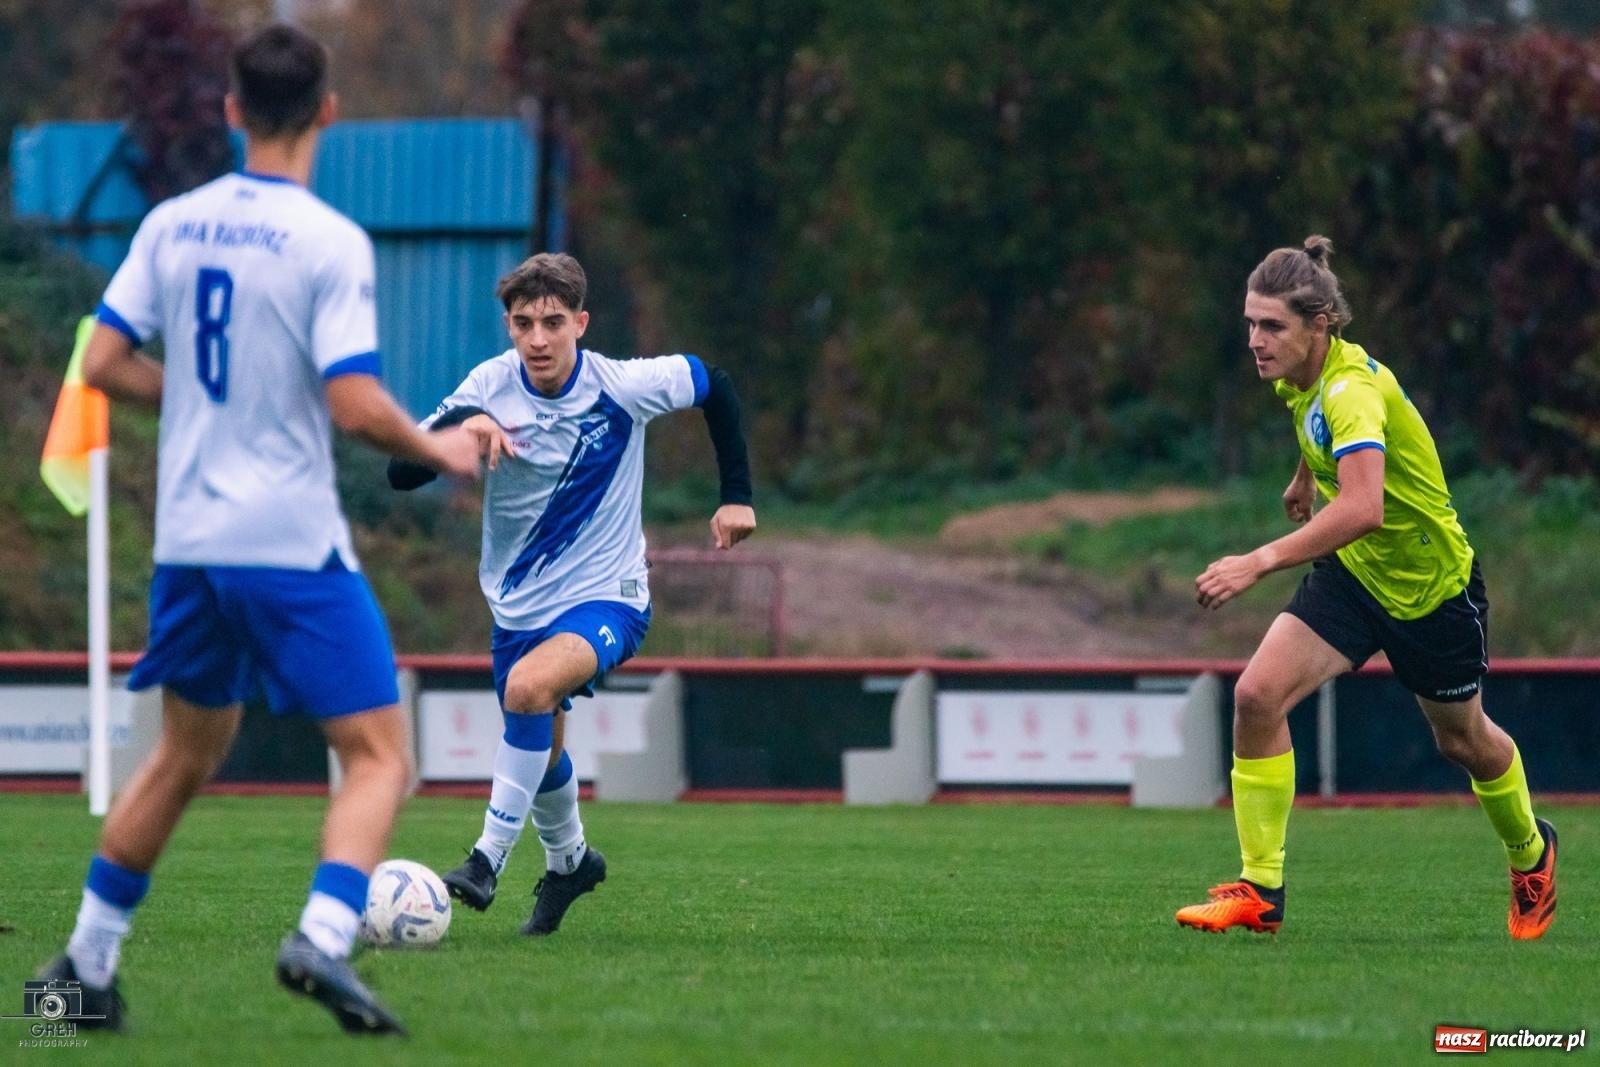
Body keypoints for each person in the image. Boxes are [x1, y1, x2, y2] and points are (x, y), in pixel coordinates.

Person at [38, 24, 497, 1035]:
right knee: (380, 755)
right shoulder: (330, 242)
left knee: (183, 753)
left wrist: (208, 399)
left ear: (234, 111)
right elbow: (354, 403)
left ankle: (83, 966)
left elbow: (104, 364)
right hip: (287, 539)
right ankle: (325, 936)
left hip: (190, 542)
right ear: (328, 111)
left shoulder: (173, 223)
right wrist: (443, 445)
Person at [1175, 236, 1558, 940]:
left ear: (1319, 323)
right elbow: (1314, 422)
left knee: (1465, 743)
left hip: (1432, 591)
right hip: (1356, 579)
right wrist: (1302, 475)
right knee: (1257, 696)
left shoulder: (1352, 391)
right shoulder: (1307, 377)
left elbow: (1361, 509)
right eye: (1251, 324)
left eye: (1272, 327)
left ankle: (1532, 853)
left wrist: (1258, 560)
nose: (1256, 341)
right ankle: (1261, 889)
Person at [388, 252, 756, 936]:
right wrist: (454, 435)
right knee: (541, 745)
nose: (538, 338)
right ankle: (571, 862)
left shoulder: (622, 386)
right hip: (517, 607)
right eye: (524, 323)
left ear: (580, 323)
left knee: (527, 690)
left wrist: (736, 495)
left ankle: (484, 861)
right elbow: (397, 473)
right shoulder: (486, 388)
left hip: (609, 596)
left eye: (553, 322)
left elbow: (715, 383)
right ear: (508, 326)